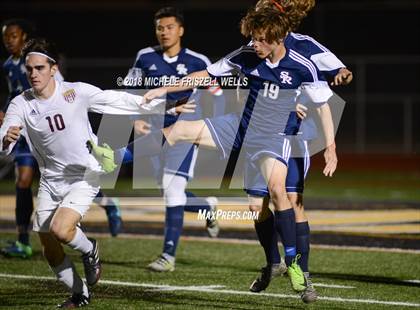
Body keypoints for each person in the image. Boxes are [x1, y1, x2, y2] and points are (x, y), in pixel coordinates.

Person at [89, 7, 337, 299]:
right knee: (181, 131)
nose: (254, 44)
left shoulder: (301, 65)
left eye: (260, 39)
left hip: (274, 136)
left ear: (277, 38)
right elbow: (203, 75)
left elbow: (322, 105)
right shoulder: (245, 55)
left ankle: (294, 263)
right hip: (240, 126)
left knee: (277, 191)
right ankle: (115, 157)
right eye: (253, 38)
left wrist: (330, 147)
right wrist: (162, 91)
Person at [0, 38, 194, 308]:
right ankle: (80, 294)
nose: (33, 74)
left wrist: (167, 107)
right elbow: (7, 129)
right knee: (48, 247)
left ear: (53, 68)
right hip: (50, 181)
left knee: (62, 230)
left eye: (40, 68)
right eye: (29, 69)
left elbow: (120, 100)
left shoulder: (76, 92)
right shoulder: (21, 103)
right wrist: (7, 138)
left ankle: (90, 249)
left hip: (85, 174)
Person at [245, 1, 353, 302]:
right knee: (257, 206)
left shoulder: (305, 46)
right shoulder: (255, 46)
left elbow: (339, 70)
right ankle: (273, 262)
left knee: (292, 200)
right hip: (261, 134)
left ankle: (302, 273)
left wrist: (343, 73)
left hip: (294, 136)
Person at [0, 19, 122, 261]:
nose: (9, 40)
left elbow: (62, 93)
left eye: (13, 35)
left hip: (49, 130)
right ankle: (23, 240)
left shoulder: (43, 62)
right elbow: (17, 97)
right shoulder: (9, 66)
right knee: (23, 182)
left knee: (69, 173)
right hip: (24, 128)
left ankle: (106, 202)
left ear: (23, 37)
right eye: (6, 37)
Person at [126, 7, 225, 272]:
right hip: (154, 133)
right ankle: (208, 207)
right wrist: (135, 117)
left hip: (183, 132)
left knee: (172, 190)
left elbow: (217, 93)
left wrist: (209, 122)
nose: (164, 32)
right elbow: (133, 90)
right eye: (160, 27)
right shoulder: (145, 57)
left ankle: (168, 255)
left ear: (181, 30)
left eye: (170, 27)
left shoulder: (197, 61)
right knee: (168, 190)